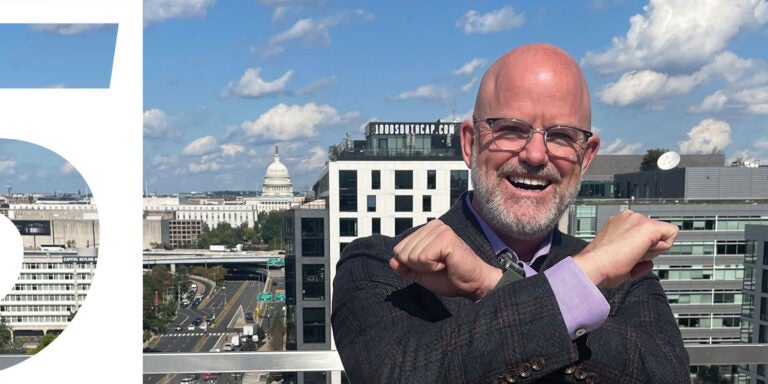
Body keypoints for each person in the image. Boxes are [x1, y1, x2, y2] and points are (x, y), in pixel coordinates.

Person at [331, 43, 689, 383]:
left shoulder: (628, 276)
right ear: (470, 143)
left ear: (587, 155)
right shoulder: (383, 264)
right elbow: (399, 374)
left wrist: (491, 285)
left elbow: (666, 375)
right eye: (511, 129)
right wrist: (583, 275)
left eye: (561, 136)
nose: (535, 155)